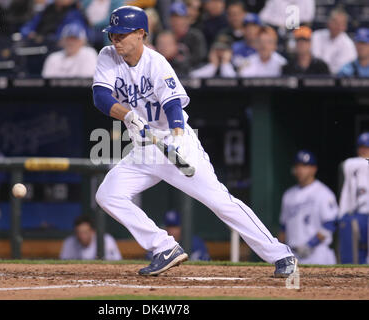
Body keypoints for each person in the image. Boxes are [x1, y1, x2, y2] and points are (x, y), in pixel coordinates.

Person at [92, 6, 297, 277]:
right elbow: (101, 97)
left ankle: (281, 254)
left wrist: (176, 134)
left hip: (175, 143)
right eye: (112, 35)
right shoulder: (108, 56)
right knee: (108, 195)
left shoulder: (156, 63)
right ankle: (164, 247)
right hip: (143, 151)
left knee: (221, 202)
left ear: (141, 34)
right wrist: (129, 114)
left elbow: (173, 104)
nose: (115, 40)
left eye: (121, 35)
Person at [278, 150, 339, 265]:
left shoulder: (323, 192)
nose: (300, 170)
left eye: (305, 166)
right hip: (293, 254)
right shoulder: (288, 195)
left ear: (313, 169)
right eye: (298, 166)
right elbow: (283, 227)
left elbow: (331, 223)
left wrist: (310, 244)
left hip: (317, 253)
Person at [338, 132, 369, 264]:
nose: (363, 150)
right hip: (358, 214)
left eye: (366, 147)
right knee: (353, 257)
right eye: (361, 147)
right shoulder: (351, 163)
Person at [311, 8, 357, 75]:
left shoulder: (348, 44)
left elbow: (342, 69)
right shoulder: (316, 36)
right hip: (313, 75)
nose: (337, 26)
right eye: (334, 22)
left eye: (340, 23)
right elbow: (312, 58)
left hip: (336, 80)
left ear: (345, 27)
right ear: (328, 22)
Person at [20, 0, 87, 41]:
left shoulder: (75, 13)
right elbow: (26, 28)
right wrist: (30, 34)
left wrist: (46, 39)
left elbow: (70, 34)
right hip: (36, 43)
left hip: (57, 46)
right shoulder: (46, 10)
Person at [169, 1, 207, 69]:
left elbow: (200, 58)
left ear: (186, 19)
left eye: (179, 17)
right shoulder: (165, 37)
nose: (175, 21)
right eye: (173, 17)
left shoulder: (195, 36)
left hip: (191, 75)